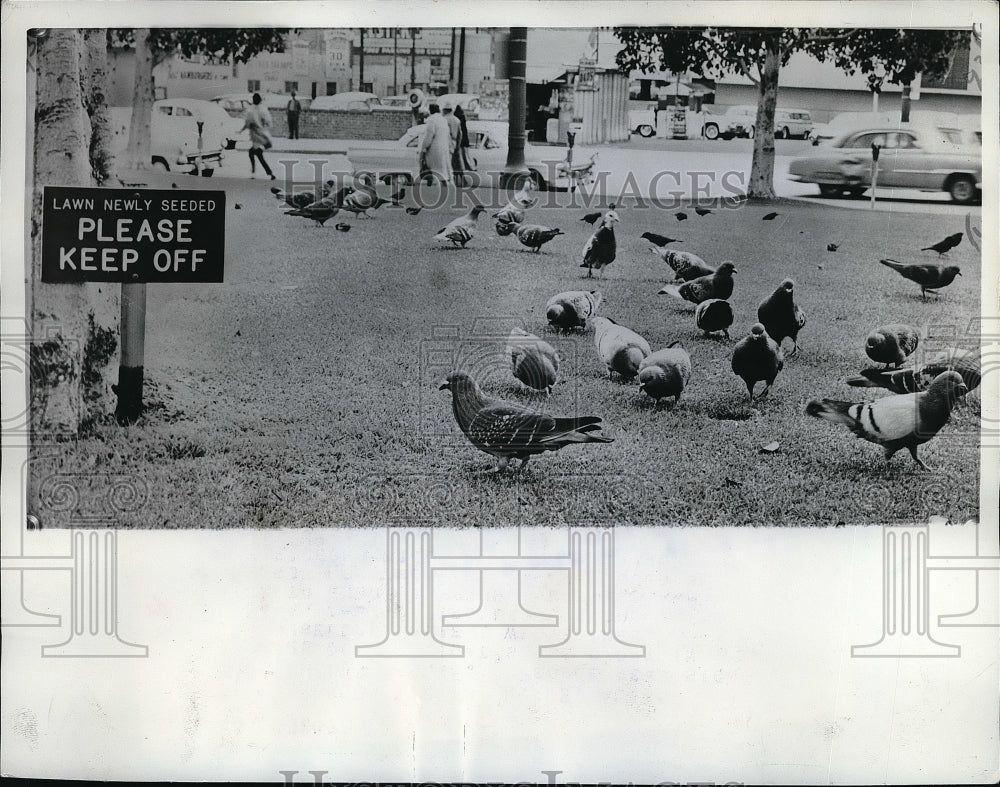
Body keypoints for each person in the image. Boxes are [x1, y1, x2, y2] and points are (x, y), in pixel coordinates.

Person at [241, 93, 275, 180]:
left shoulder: (252, 110)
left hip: (256, 135)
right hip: (260, 135)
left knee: (254, 153)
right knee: (255, 153)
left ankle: (256, 172)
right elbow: (269, 123)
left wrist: (242, 130)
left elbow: (248, 123)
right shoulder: (263, 109)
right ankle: (268, 173)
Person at [418, 103, 452, 183]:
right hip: (444, 147)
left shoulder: (431, 120)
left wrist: (424, 147)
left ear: (430, 110)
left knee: (431, 166)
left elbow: (429, 135)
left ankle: (431, 182)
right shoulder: (443, 119)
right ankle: (443, 182)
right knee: (442, 168)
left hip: (434, 148)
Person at [451, 104, 474, 186]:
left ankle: (458, 180)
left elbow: (458, 134)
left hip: (456, 145)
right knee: (459, 164)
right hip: (462, 144)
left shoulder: (455, 121)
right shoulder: (462, 120)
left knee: (455, 164)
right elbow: (463, 133)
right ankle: (462, 181)